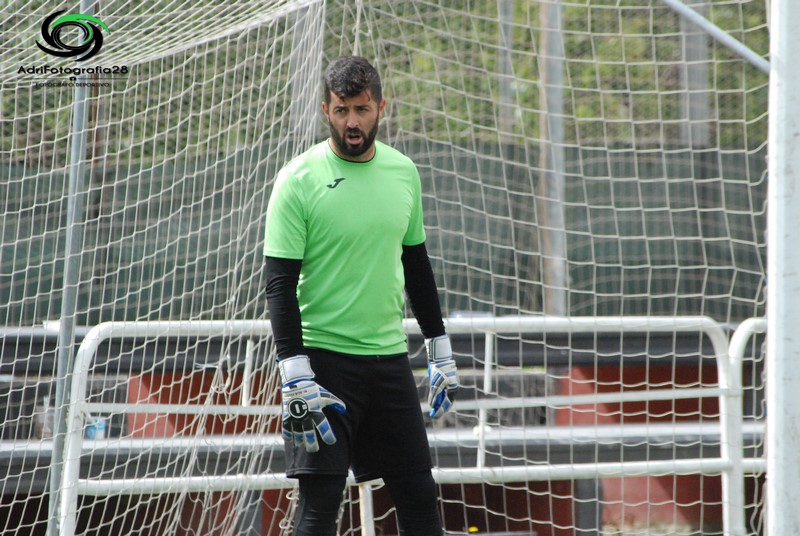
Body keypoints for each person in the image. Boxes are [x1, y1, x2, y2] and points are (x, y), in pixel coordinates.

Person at [263, 55, 459, 536]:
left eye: (362, 109)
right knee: (319, 507)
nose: (352, 122)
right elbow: (279, 284)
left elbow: (416, 266)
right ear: (325, 111)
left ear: (380, 108)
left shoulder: (403, 172)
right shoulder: (298, 180)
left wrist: (439, 346)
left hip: (389, 362)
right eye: (342, 110)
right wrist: (294, 372)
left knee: (419, 497)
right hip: (323, 366)